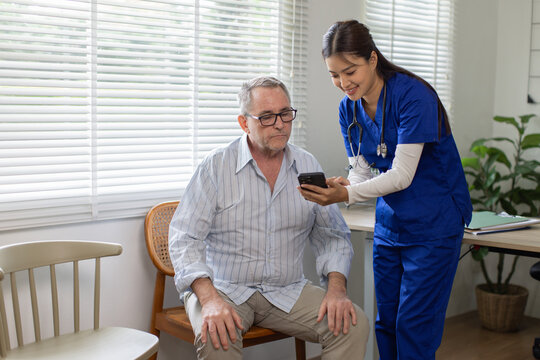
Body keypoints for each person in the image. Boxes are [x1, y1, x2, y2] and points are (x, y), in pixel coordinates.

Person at [297, 20, 473, 360]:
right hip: (391, 225)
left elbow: (403, 175)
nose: (344, 83)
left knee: (414, 324)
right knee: (387, 321)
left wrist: (345, 195)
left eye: (350, 71)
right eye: (334, 75)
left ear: (373, 59)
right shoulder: (349, 107)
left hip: (433, 223)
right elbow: (362, 170)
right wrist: (344, 184)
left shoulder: (413, 96)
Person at [168, 76, 369, 360]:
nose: (279, 123)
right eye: (266, 117)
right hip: (224, 289)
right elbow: (184, 238)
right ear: (243, 123)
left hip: (286, 291)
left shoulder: (307, 164)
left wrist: (337, 290)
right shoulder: (215, 167)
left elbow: (332, 236)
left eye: (285, 114)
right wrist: (209, 299)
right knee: (217, 337)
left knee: (353, 325)